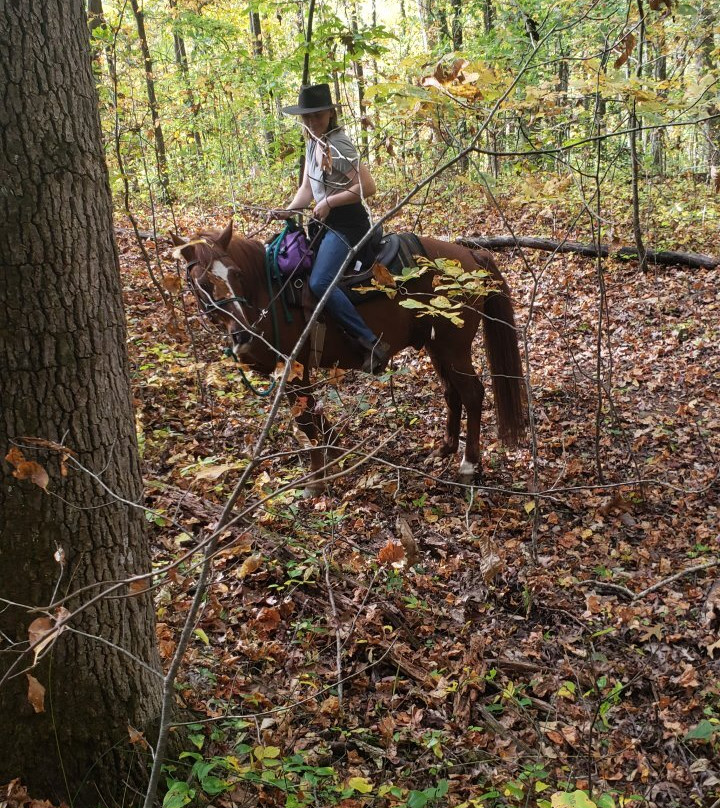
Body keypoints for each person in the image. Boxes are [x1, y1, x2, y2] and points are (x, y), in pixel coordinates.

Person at [272, 83, 390, 374]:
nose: (312, 121)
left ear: (330, 114)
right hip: (324, 225)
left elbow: (368, 186)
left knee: (320, 282)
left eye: (318, 115)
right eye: (307, 116)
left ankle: (371, 342)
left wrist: (330, 202)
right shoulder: (313, 143)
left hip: (348, 224)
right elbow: (306, 189)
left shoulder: (338, 144)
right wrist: (289, 209)